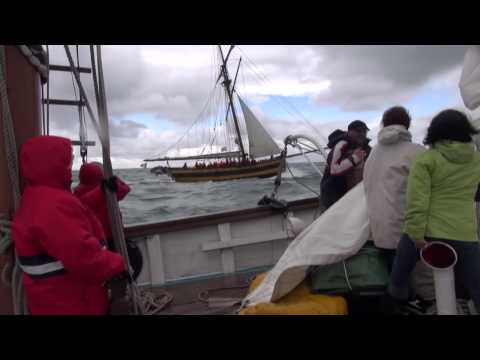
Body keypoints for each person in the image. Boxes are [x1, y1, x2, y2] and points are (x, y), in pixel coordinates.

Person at [12, 136, 126, 315]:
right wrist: (119, 264)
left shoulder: (37, 197)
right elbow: (86, 259)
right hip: (74, 303)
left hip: (54, 301)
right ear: (52, 164)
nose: (70, 167)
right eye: (67, 161)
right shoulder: (53, 206)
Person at [387, 109, 480, 312]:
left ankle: (399, 300)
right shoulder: (477, 160)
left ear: (435, 131)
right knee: (476, 284)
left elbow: (417, 202)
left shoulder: (427, 160)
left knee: (398, 276)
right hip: (465, 233)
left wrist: (416, 235)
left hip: (428, 233)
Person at [73, 162, 143, 280]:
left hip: (110, 237)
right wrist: (102, 190)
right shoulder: (84, 195)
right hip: (101, 241)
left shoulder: (107, 190)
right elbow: (87, 201)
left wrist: (113, 181)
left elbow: (125, 189)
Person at [320, 120, 369, 209]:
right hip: (333, 193)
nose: (362, 134)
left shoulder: (365, 147)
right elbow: (334, 169)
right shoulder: (341, 144)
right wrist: (354, 158)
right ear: (349, 132)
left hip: (353, 192)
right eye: (358, 131)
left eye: (364, 131)